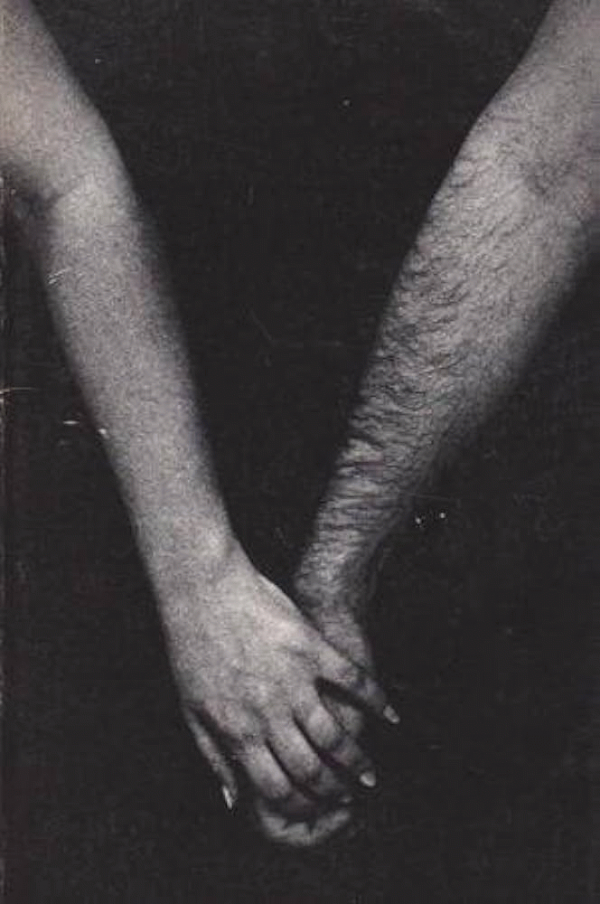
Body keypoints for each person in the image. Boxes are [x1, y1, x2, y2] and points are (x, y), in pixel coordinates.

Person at [1, 0, 598, 852]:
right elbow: (58, 179)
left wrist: (338, 578)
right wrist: (200, 583)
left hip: (477, 457)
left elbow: (554, 161)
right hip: (122, 460)